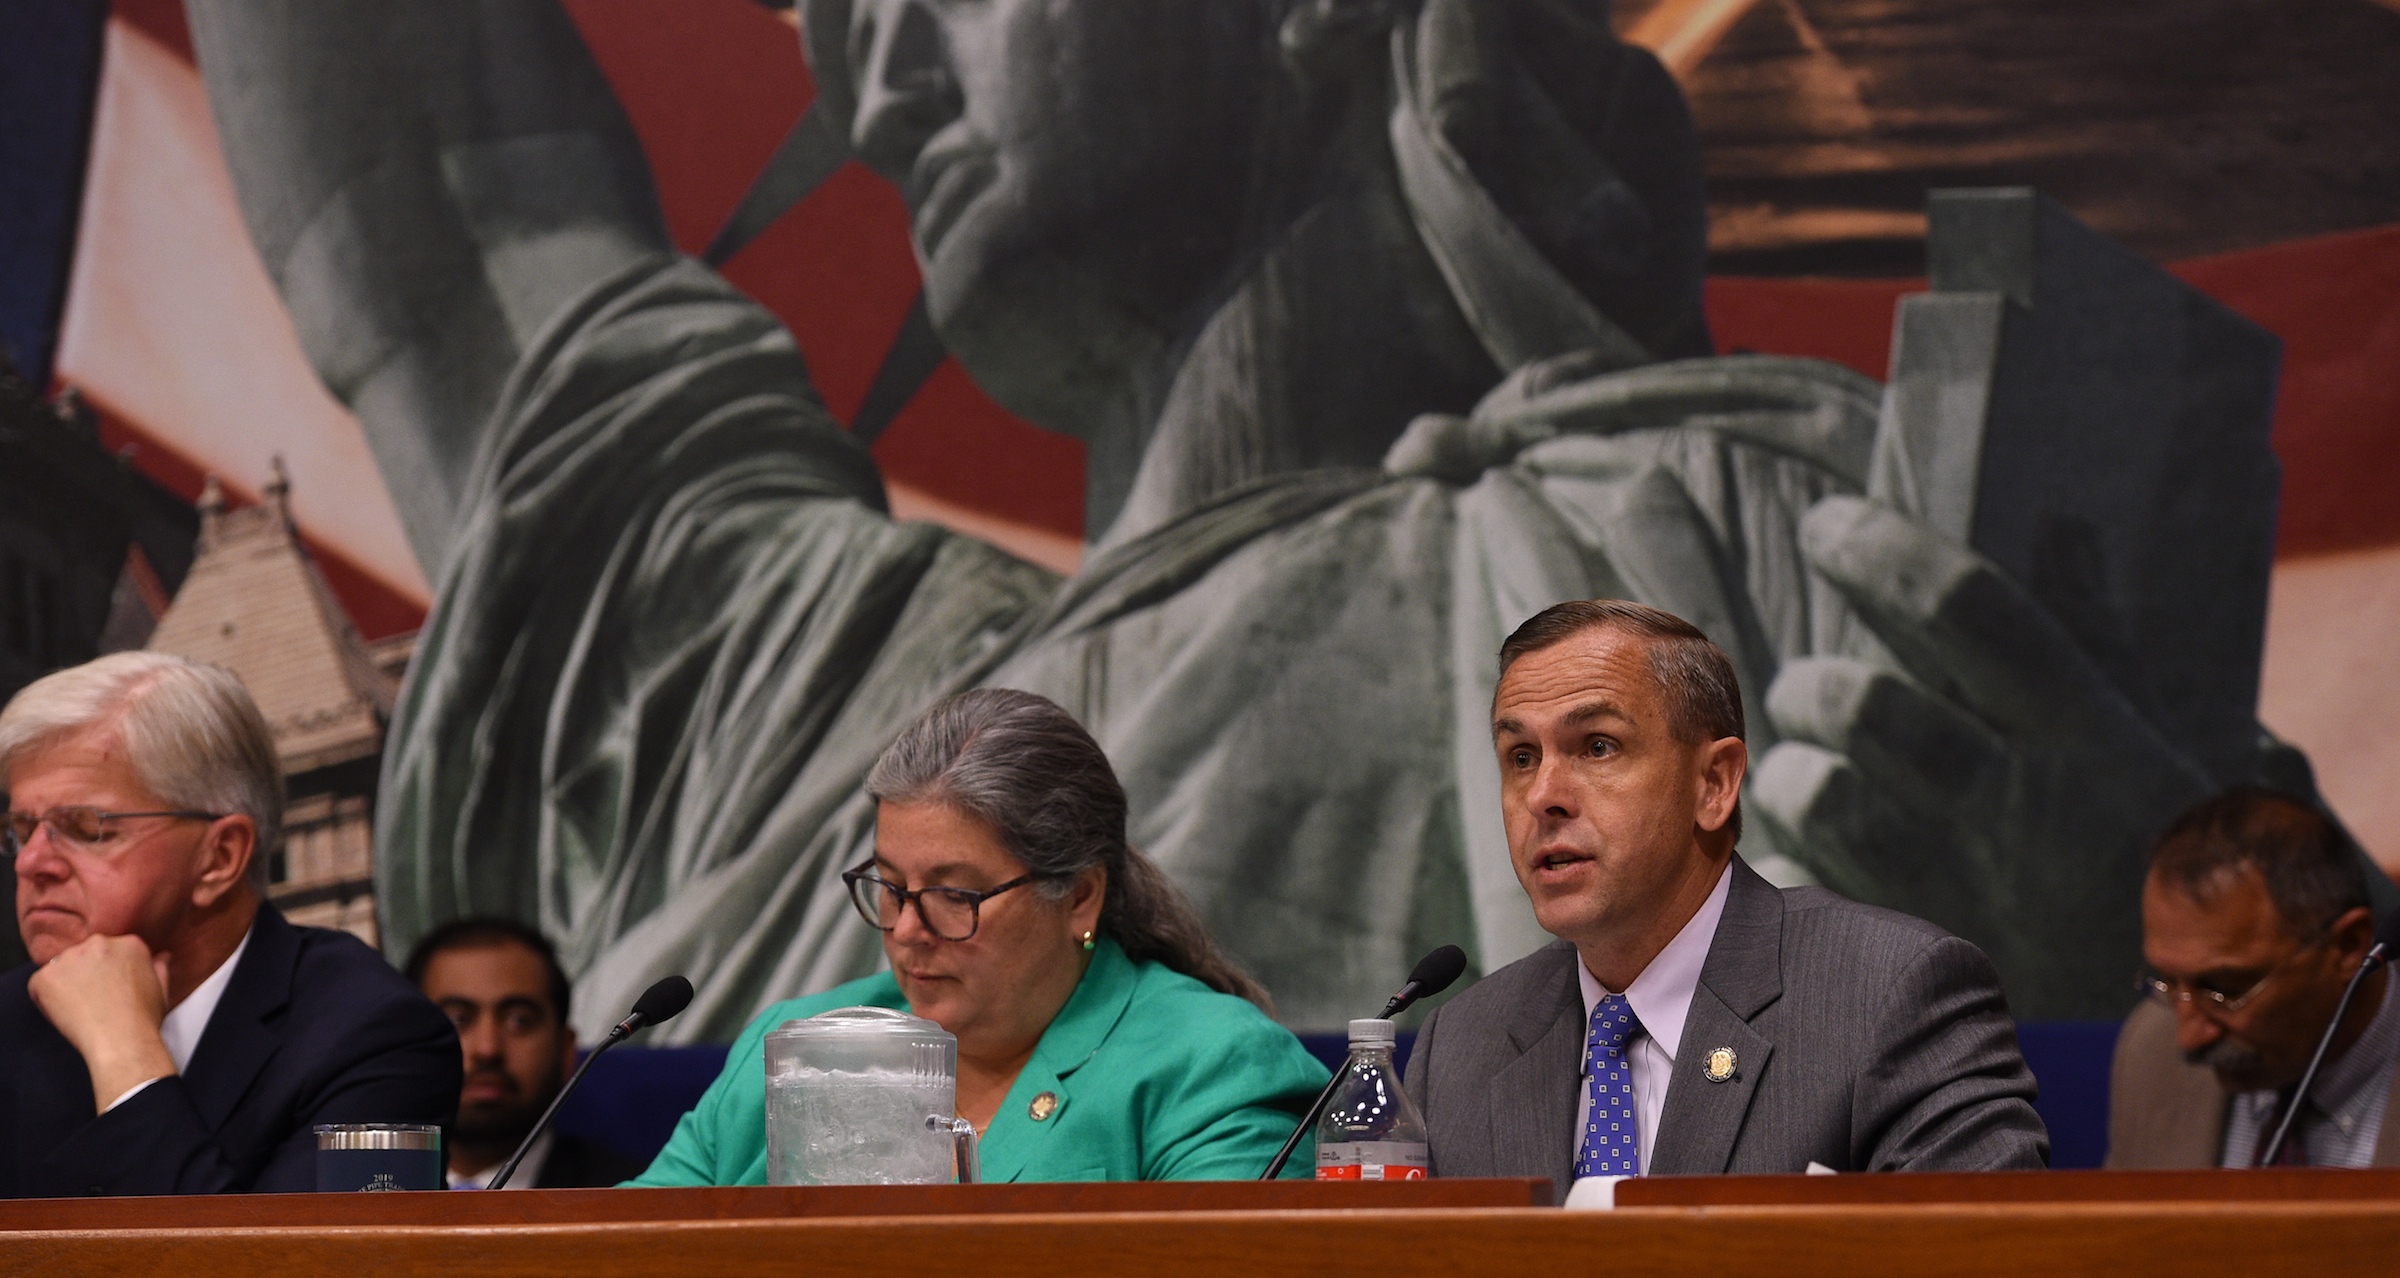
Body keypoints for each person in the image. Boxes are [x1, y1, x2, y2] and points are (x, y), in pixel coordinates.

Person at [188, 0, 2274, 1041]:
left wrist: (2123, 944)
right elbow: (448, 222)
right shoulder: (802, 701)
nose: (877, 52)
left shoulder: (1772, 532)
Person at [1411, 601, 2047, 1193]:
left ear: (1714, 783)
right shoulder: (1459, 1050)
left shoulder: (1891, 996)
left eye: (1598, 746)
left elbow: (1991, 1276)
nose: (1543, 794)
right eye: (1520, 756)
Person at [633, 689, 1325, 1185]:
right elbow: (616, 1267)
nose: (907, 929)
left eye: (953, 895)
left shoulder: (1213, 1066)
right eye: (893, 887)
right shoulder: (796, 1048)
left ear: (1080, 895)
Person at [0, 653, 460, 1197]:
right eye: (22, 831)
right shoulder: (9, 1018)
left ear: (219, 857)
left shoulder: (384, 1038)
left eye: (85, 828)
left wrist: (122, 1049)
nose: (31, 864)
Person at [2108, 789, 2398, 1168]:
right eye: (2168, 981)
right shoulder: (2151, 1052)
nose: (2188, 1037)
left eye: (2224, 989)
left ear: (2347, 946)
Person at [407, 917, 649, 1188]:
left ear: (566, 1050)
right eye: (457, 1019)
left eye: (520, 1020)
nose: (488, 1049)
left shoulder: (632, 1198)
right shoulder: (360, 1193)